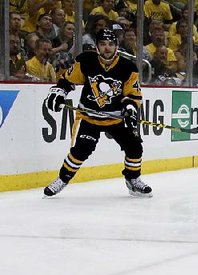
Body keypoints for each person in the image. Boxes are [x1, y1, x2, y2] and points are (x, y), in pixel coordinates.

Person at [42, 29, 151, 198]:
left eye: (110, 44)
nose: (107, 48)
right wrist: (59, 91)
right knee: (81, 150)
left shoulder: (128, 67)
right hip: (89, 116)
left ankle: (133, 179)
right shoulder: (86, 61)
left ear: (116, 46)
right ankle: (62, 179)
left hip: (115, 118)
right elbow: (67, 80)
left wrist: (130, 108)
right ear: (97, 46)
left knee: (134, 146)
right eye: (102, 44)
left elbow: (132, 95)